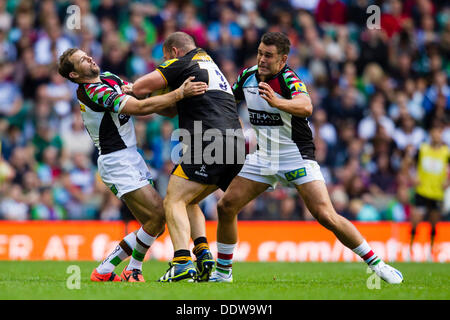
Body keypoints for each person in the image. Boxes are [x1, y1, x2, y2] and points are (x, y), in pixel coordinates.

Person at [209, 32, 403, 284]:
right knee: (226, 206)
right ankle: (223, 273)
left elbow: (306, 106)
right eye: (260, 53)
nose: (262, 59)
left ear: (282, 59)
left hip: (295, 156)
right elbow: (228, 102)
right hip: (263, 157)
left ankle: (377, 264)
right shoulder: (247, 75)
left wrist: (278, 102)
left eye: (268, 55)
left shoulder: (288, 79)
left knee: (325, 215)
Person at [57, 48, 207, 282]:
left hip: (130, 156)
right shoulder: (92, 91)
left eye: (87, 55)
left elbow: (139, 95)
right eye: (81, 60)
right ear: (75, 75)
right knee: (158, 214)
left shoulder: (109, 78)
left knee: (155, 223)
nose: (89, 58)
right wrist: (178, 93)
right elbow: (138, 108)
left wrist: (161, 94)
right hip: (116, 160)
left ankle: (107, 271)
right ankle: (129, 270)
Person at [129, 32, 244, 282]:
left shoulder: (182, 62)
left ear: (173, 51)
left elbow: (139, 87)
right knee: (188, 200)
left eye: (165, 57)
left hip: (209, 139)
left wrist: (131, 91)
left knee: (172, 200)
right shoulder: (210, 66)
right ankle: (203, 254)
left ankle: (181, 262)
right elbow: (171, 109)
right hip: (235, 143)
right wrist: (172, 94)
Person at [410, 122, 449, 260]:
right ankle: (410, 251)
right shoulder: (422, 149)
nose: (436, 134)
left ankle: (430, 253)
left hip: (437, 193)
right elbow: (408, 163)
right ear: (430, 133)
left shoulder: (446, 152)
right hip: (422, 191)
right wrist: (412, 176)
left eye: (439, 132)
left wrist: (448, 182)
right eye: (434, 131)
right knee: (415, 220)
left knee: (434, 224)